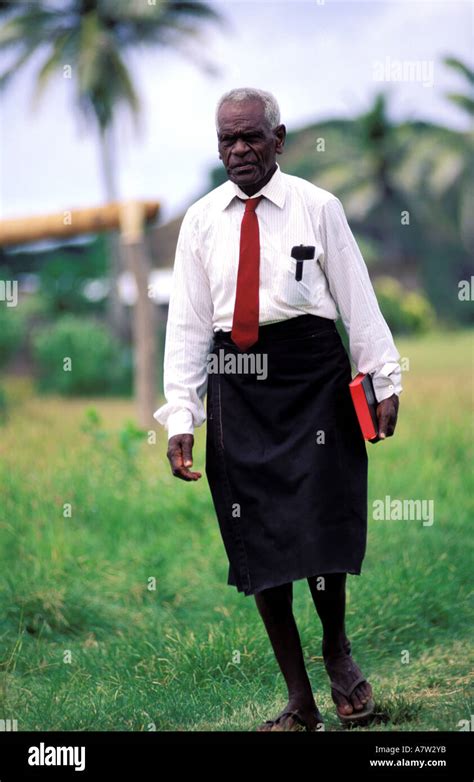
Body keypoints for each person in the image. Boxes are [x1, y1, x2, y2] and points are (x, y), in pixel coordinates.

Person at [154, 87, 402, 732]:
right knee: (258, 538)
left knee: (319, 525)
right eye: (227, 140)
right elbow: (185, 326)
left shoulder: (319, 208)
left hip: (311, 371)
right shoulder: (201, 221)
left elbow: (356, 294)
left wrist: (383, 374)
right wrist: (182, 415)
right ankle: (299, 699)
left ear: (279, 138)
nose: (239, 150)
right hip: (236, 378)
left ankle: (338, 654)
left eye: (252, 137)